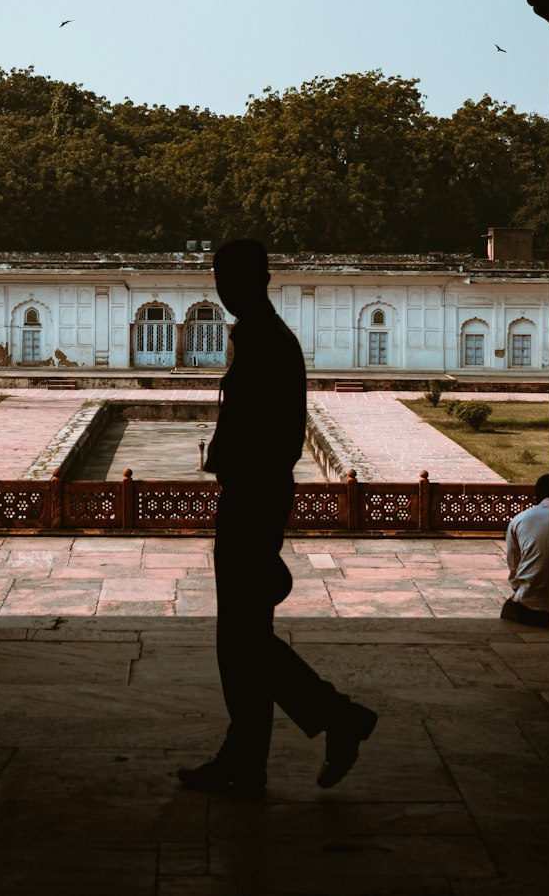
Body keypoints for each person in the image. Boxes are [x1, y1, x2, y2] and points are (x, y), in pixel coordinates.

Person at [178, 238, 378, 800]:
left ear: (256, 279)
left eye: (229, 276)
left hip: (253, 499)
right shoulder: (262, 336)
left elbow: (275, 436)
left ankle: (334, 716)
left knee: (240, 639)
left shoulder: (267, 341)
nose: (221, 286)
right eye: (218, 276)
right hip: (254, 495)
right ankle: (251, 759)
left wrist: (236, 473)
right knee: (245, 638)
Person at [500, 472, 549, 627]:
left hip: (533, 606)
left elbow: (514, 569)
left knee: (509, 608)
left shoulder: (521, 519)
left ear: (537, 496)